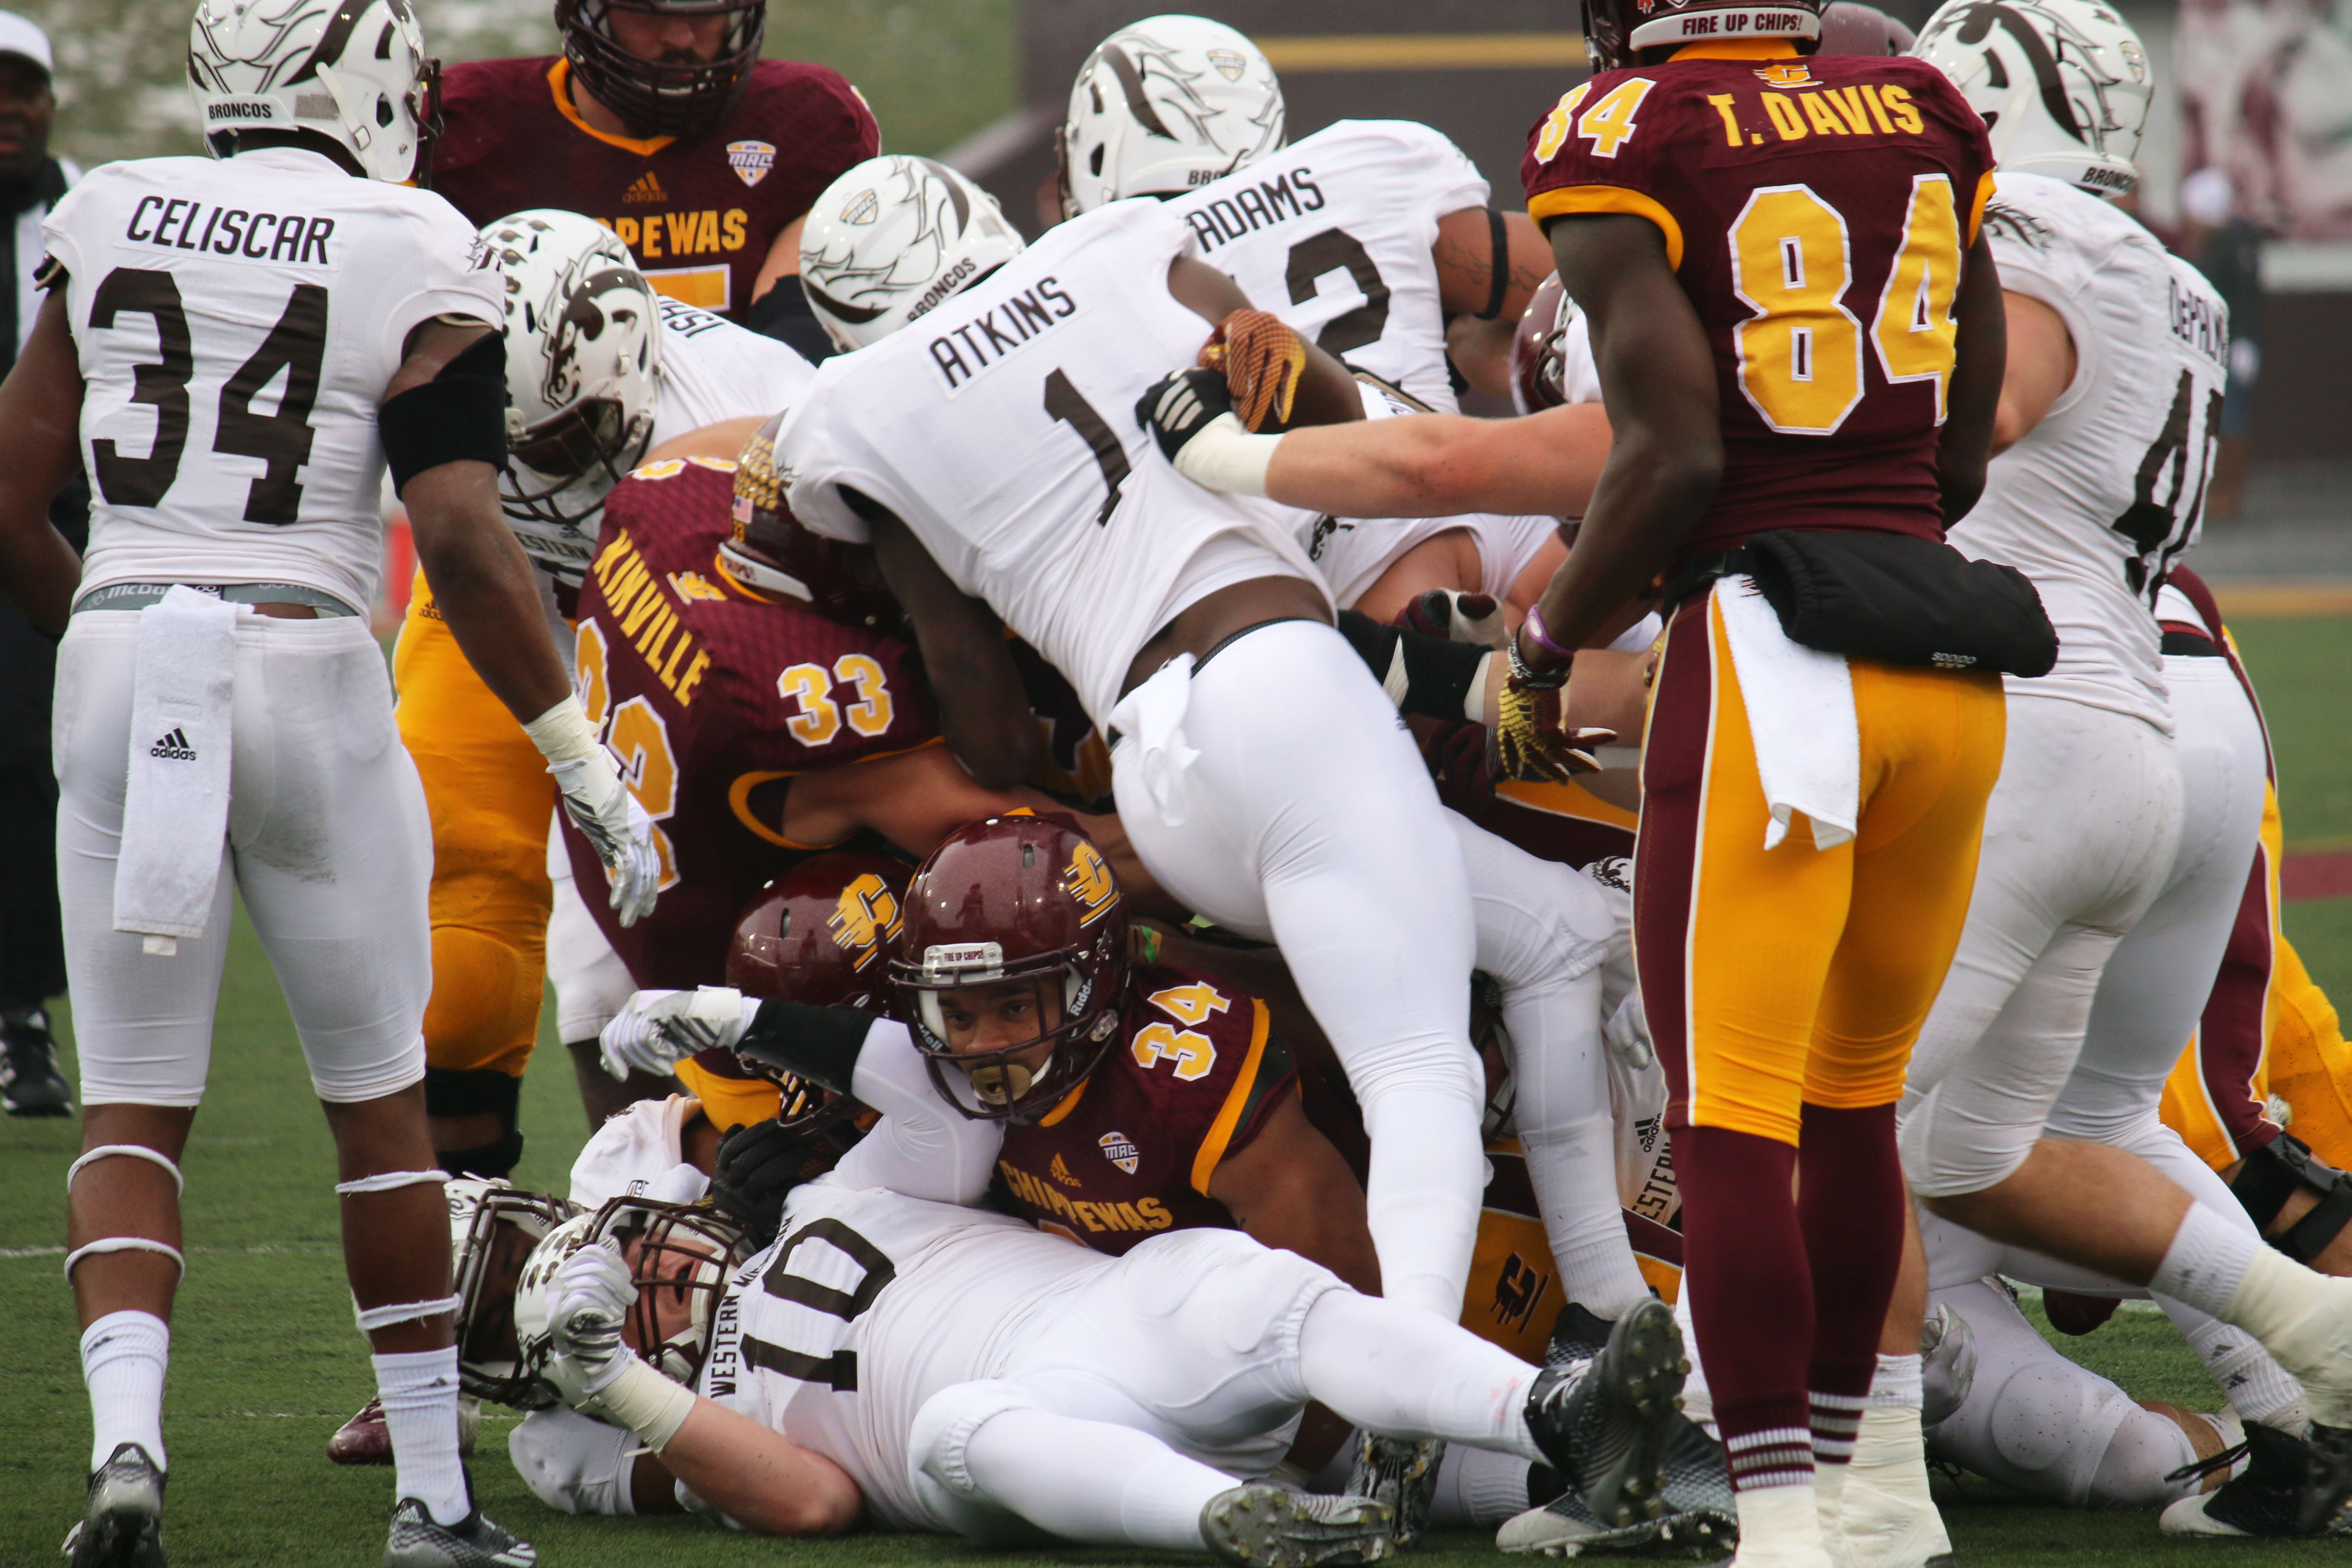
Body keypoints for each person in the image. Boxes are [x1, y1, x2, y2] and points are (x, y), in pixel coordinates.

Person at [1140, 0, 2035, 1560]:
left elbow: (1673, 456)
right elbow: (1958, 458)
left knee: (1732, 1122)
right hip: (1946, 661)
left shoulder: (1628, 131)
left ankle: (1777, 1519)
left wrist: (1547, 648)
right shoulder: (1918, 109)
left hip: (1774, 661)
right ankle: (1881, 1493)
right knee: (1849, 1108)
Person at [0, 0, 704, 1557]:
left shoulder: (106, 210)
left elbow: (8, 489)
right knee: (380, 1114)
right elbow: (455, 526)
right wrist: (576, 755)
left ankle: (126, 1450)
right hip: (306, 656)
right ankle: (432, 1496)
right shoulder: (414, 237)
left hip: (122, 651)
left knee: (131, 1105)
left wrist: (109, 631)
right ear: (373, 79)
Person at [773, 152, 1623, 1329]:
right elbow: (1336, 423)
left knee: (1559, 933)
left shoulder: (846, 417)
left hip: (1159, 772)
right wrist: (1276, 353)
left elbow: (994, 731)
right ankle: (1428, 1380)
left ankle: (1603, 1307)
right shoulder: (1119, 245)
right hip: (1271, 684)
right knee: (1417, 1071)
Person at [1867, 0, 2352, 1542]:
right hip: (2171, 704)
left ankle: (1846, 1481)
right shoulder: (2167, 279)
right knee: (2082, 1121)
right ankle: (2300, 1401)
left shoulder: (2010, 235)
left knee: (1842, 1113)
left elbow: (1974, 417)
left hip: (2041, 718)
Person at [513, 1004, 1696, 1562]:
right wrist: (614, 1385)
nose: (660, 1275)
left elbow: (932, 1095)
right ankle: (1236, 1525)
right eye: (630, 1305)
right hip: (1044, 1425)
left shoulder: (831, 1194)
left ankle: (1561, 1420)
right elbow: (811, 1503)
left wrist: (749, 1021)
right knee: (958, 1430)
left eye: (640, 1247)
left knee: (1239, 1283)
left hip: (1110, 1322)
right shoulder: (680, 1425)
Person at [393, 212, 809, 1184]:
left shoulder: (764, 402)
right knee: (598, 987)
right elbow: (475, 577)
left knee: (787, 951)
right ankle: (646, 1219)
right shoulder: (439, 394)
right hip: (591, 677)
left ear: (633, 358)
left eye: (569, 439)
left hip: (755, 668)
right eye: (521, 452)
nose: (547, 477)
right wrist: (575, 751)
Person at [428, 0, 877, 356]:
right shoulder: (461, 126)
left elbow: (805, 343)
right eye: (647, 13)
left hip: (745, 418)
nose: (680, 38)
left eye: (705, 10)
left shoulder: (806, 120)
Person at [0, 8, 81, 1117]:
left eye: (24, 88)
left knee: (34, 766)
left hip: (45, 520)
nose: (9, 110)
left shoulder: (92, 213)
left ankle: (23, 1016)